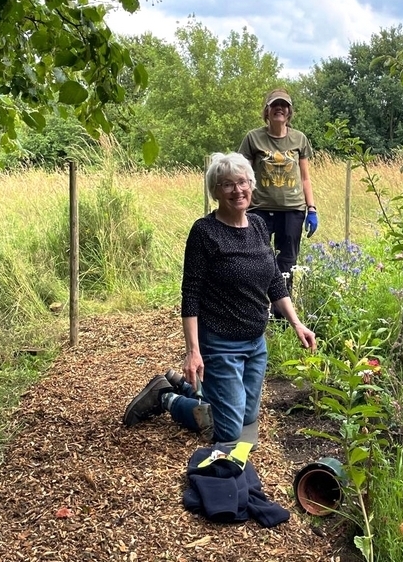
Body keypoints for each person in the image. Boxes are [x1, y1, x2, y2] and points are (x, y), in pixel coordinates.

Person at [124, 152, 315, 447]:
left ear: (251, 185)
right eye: (227, 184)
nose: (237, 190)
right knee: (228, 429)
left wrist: (297, 323)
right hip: (220, 344)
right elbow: (191, 294)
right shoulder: (205, 232)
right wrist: (193, 351)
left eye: (242, 182)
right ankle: (166, 397)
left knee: (248, 416)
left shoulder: (258, 225)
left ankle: (183, 386)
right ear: (215, 191)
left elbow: (275, 281)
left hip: (256, 343)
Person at [238, 88, 318, 301]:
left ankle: (281, 312)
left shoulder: (299, 139)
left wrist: (311, 209)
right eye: (274, 105)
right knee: (258, 260)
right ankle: (257, 306)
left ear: (289, 112)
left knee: (287, 263)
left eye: (284, 105)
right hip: (259, 210)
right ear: (267, 110)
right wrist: (240, 207)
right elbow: (242, 175)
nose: (279, 109)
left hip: (292, 210)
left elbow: (305, 178)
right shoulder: (253, 138)